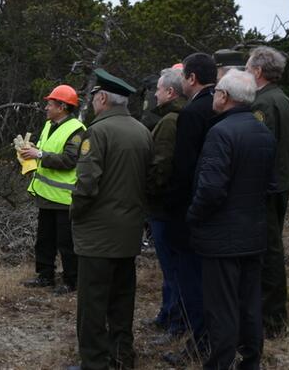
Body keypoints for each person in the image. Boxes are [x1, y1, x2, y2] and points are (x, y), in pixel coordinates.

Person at [187, 69, 276, 369]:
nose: (214, 97)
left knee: (221, 308)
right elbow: (271, 184)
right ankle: (250, 361)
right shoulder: (262, 132)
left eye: (216, 93)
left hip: (222, 238)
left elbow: (211, 189)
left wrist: (194, 216)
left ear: (224, 96)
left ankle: (220, 364)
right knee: (249, 304)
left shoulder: (221, 133)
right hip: (253, 233)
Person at [67, 69, 153, 370]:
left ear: (102, 98)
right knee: (122, 301)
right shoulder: (142, 131)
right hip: (129, 233)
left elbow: (87, 184)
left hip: (98, 236)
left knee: (92, 304)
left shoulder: (97, 132)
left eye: (93, 98)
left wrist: (74, 213)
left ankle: (94, 362)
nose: (91, 103)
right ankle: (122, 357)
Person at [164, 52, 216, 363]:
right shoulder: (219, 105)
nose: (182, 81)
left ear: (192, 78)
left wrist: (173, 211)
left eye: (184, 77)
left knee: (192, 282)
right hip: (213, 211)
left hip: (189, 213)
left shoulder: (193, 112)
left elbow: (183, 168)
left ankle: (199, 344)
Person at [245, 46, 289, 337]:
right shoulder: (287, 101)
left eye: (248, 68)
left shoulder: (263, 104)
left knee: (268, 253)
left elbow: (257, 148)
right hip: (280, 183)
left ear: (258, 71)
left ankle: (271, 320)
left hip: (265, 186)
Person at [20, 85, 86, 294]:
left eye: (50, 104)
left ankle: (71, 281)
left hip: (65, 198)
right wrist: (28, 155)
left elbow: (69, 160)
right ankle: (45, 276)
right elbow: (42, 150)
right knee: (44, 239)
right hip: (46, 195)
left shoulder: (77, 130)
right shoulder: (49, 125)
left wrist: (38, 155)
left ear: (63, 107)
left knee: (66, 243)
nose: (46, 107)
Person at [145, 68, 187, 340]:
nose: (155, 94)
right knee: (170, 267)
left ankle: (175, 321)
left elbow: (161, 166)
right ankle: (166, 314)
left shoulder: (170, 121)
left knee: (173, 268)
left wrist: (146, 193)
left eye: (158, 90)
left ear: (170, 92)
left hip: (163, 208)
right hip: (166, 207)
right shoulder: (174, 117)